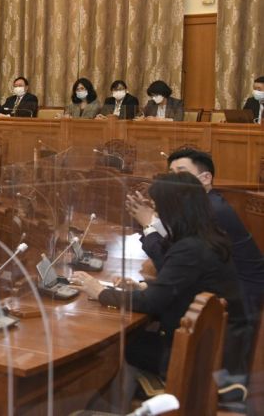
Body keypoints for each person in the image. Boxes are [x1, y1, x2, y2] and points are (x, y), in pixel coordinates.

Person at [73, 172, 251, 377]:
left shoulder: (190, 248)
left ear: (172, 210)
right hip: (218, 348)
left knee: (117, 348)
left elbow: (152, 302)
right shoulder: (209, 235)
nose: (157, 216)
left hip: (199, 359)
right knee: (135, 337)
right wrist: (143, 286)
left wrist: (101, 292)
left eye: (158, 209)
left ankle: (149, 396)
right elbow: (184, 285)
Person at [129, 148, 264, 321]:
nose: (175, 180)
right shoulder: (200, 206)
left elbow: (175, 259)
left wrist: (149, 224)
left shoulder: (213, 210)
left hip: (238, 302)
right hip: (214, 289)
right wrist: (158, 213)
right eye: (172, 174)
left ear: (205, 178)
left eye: (182, 173)